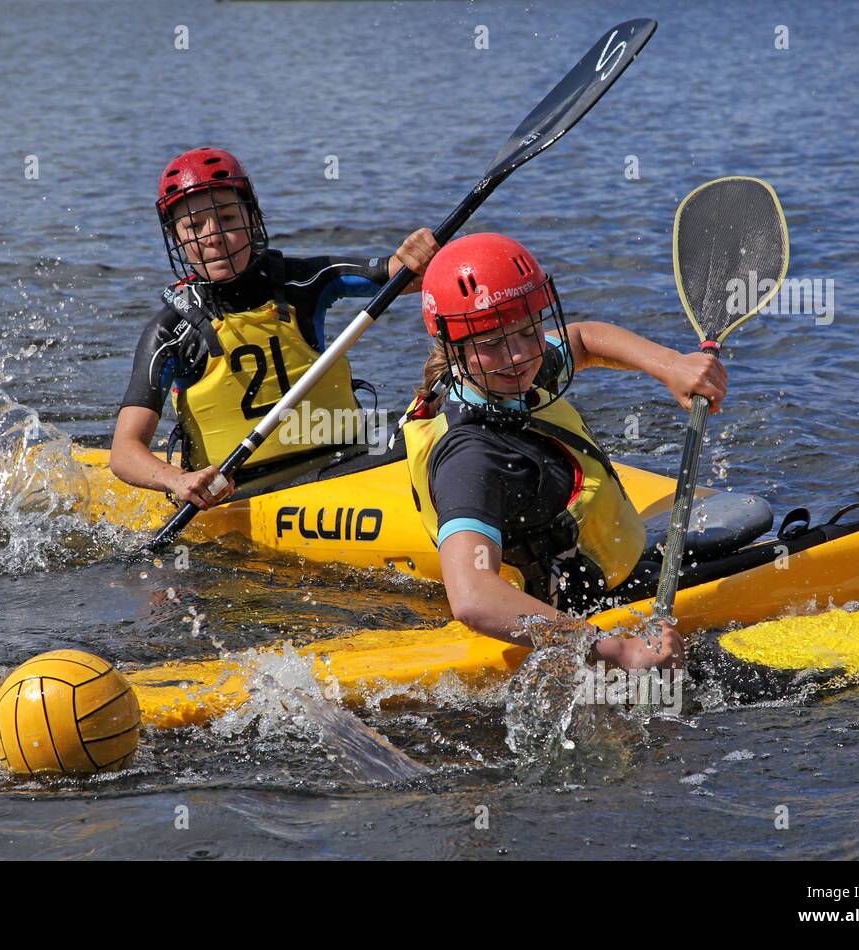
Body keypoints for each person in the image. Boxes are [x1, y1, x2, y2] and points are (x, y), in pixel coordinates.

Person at [401, 233, 728, 670]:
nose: (518, 355)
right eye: (493, 343)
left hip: (609, 578)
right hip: (566, 622)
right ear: (454, 347)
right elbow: (473, 597)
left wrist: (671, 367)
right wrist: (618, 651)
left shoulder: (509, 372)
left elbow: (584, 340)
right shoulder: (471, 458)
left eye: (527, 330)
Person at [110, 147, 438, 510]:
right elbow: (124, 452)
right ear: (176, 239)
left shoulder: (304, 282)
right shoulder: (170, 331)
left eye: (228, 218)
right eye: (194, 226)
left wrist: (416, 256)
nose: (214, 236)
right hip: (239, 496)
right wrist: (178, 480)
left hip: (349, 469)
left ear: (252, 218)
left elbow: (405, 276)